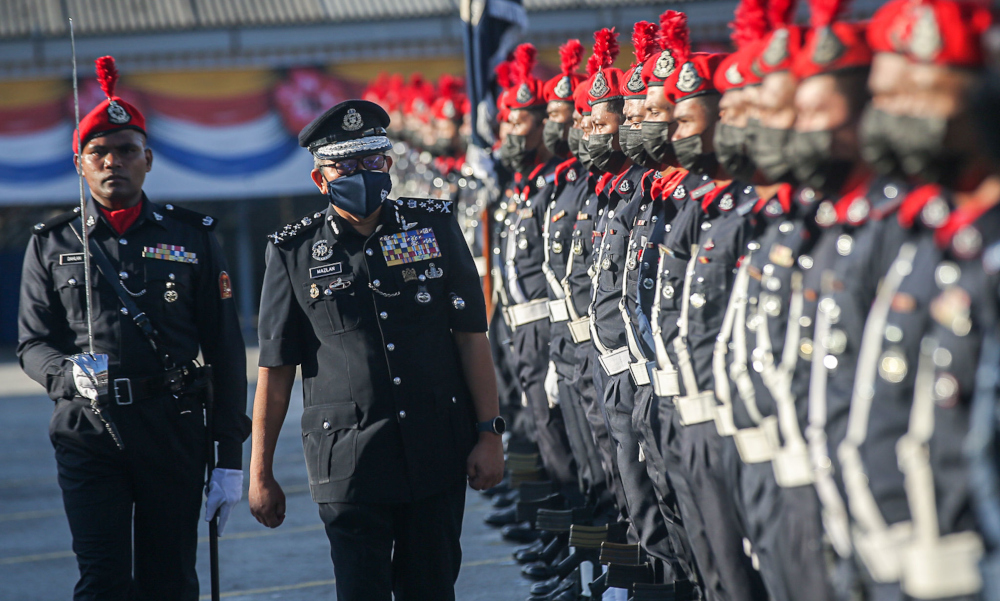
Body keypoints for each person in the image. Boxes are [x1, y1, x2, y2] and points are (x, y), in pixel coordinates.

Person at [248, 99, 504, 601]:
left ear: (387, 165)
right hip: (348, 463)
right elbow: (275, 373)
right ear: (321, 179)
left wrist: (489, 433)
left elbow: (471, 338)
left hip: (435, 448)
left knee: (431, 589)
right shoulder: (293, 251)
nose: (361, 174)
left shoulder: (433, 227)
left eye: (371, 161)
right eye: (346, 165)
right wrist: (261, 472)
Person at [17, 56, 249, 601]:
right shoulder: (50, 243)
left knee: (169, 580)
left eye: (125, 150)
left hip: (171, 429)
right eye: (98, 152)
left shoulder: (192, 236)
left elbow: (224, 349)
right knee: (103, 581)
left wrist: (229, 460)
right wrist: (66, 373)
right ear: (80, 164)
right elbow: (31, 343)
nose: (112, 161)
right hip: (88, 431)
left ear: (147, 158)